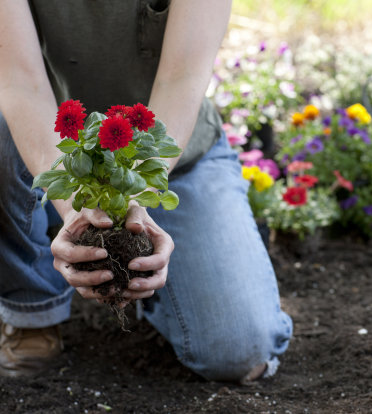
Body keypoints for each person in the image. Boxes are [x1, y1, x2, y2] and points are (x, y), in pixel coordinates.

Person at [0, 0, 292, 382]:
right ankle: (32, 305)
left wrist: (132, 198)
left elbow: (182, 77)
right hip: (54, 142)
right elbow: (20, 83)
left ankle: (147, 283)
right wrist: (77, 210)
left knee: (237, 351)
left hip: (168, 152)